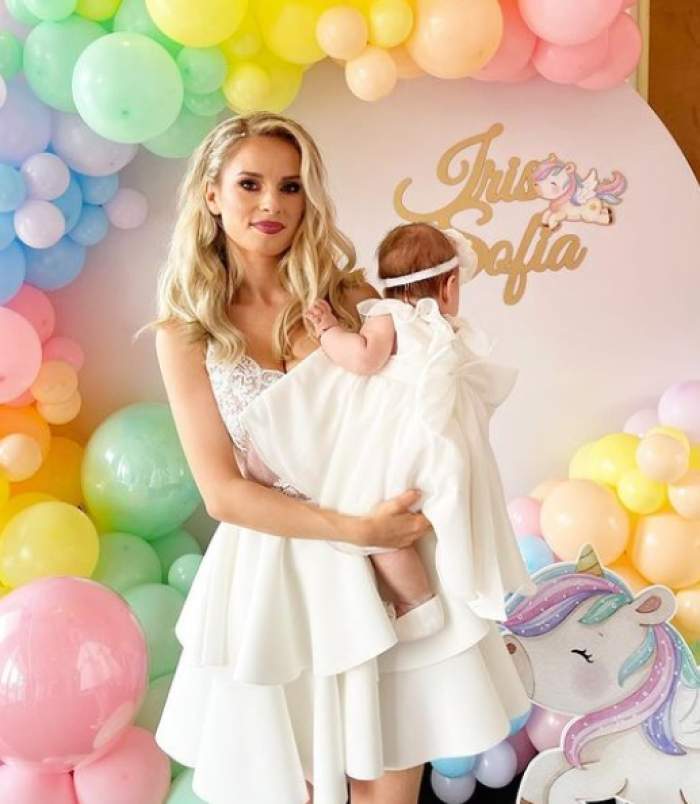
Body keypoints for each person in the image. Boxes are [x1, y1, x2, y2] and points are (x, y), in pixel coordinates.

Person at [153, 112, 531, 804]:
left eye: (291, 186)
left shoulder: (349, 297)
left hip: (383, 562)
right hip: (277, 576)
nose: (272, 203)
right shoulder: (186, 332)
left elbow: (424, 398)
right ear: (212, 194)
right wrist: (356, 530)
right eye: (250, 184)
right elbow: (223, 494)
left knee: (389, 782)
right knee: (290, 781)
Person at [241, 222, 535, 637]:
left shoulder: (387, 315)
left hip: (390, 436)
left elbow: (363, 359)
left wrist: (328, 330)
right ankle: (439, 588)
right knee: (423, 513)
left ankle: (416, 601)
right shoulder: (448, 328)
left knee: (371, 512)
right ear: (449, 286)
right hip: (437, 438)